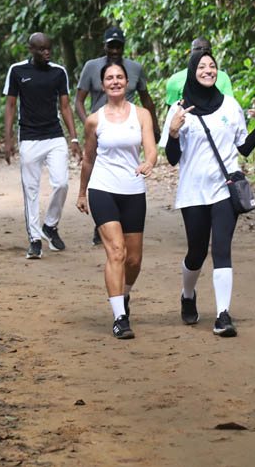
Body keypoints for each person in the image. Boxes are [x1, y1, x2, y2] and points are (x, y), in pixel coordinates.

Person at [160, 50, 255, 337]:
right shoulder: (179, 109)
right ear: (193, 71)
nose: (208, 70)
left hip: (224, 189)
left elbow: (242, 148)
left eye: (213, 66)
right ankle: (187, 293)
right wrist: (172, 133)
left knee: (221, 249)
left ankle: (222, 315)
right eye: (202, 66)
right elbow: (172, 158)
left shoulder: (230, 106)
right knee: (196, 252)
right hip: (193, 192)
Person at [76, 59, 157, 339]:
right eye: (109, 78)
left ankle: (124, 295)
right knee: (117, 252)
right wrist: (82, 192)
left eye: (119, 77)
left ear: (127, 82)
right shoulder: (94, 120)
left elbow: (151, 148)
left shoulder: (142, 114)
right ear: (102, 84)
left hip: (133, 190)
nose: (114, 81)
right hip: (103, 189)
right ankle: (119, 317)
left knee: (134, 260)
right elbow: (88, 158)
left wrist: (149, 162)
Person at [75, 26, 159, 245]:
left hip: (128, 127)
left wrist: (154, 125)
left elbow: (146, 97)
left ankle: (115, 220)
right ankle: (103, 221)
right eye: (110, 45)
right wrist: (90, 125)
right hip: (101, 130)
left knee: (132, 258)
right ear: (104, 46)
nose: (114, 49)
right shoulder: (91, 67)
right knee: (98, 167)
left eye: (118, 45)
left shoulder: (135, 68)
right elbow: (78, 100)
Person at [3, 33, 82, 259]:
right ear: (31, 50)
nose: (46, 52)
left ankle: (50, 225)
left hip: (54, 135)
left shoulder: (59, 72)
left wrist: (74, 138)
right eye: (41, 49)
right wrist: (8, 139)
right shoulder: (17, 71)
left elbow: (65, 107)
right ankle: (35, 239)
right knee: (31, 190)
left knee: (62, 183)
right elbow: (10, 106)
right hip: (28, 137)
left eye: (49, 48)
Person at [164, 38, 234, 105]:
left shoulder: (222, 77)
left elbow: (229, 104)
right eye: (198, 49)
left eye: (206, 49)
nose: (202, 51)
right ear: (190, 53)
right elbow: (172, 112)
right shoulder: (175, 80)